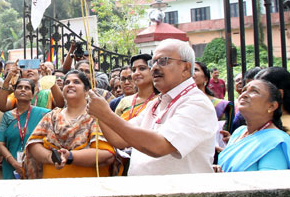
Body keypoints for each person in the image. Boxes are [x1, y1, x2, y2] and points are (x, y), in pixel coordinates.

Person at [88, 38, 218, 176]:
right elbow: (119, 139)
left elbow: (159, 146)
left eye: (163, 61)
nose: (154, 67)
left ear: (185, 68)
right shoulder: (156, 103)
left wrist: (106, 114)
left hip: (178, 195)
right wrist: (100, 115)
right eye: (153, 62)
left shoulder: (196, 103)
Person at [24, 70, 117, 178]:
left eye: (76, 82)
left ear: (86, 90)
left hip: (88, 185)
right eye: (67, 83)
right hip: (52, 184)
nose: (70, 85)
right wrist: (51, 157)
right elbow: (33, 144)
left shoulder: (95, 117)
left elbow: (107, 154)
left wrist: (70, 157)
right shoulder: (51, 116)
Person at [217, 79, 290, 172]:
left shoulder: (275, 143)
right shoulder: (239, 132)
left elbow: (268, 184)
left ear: (271, 106)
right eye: (244, 90)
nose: (243, 94)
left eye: (254, 91)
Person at [0, 77, 50, 179]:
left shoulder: (44, 114)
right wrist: (14, 163)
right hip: (11, 165)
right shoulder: (8, 116)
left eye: (27, 88)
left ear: (33, 93)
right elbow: (1, 144)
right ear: (14, 92)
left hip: (36, 164)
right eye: (19, 87)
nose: (23, 90)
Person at [0, 66, 64, 112]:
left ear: (39, 73)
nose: (29, 70)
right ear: (21, 75)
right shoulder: (17, 94)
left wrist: (50, 78)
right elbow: (2, 107)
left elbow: (60, 104)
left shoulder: (48, 93)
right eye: (26, 68)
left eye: (33, 67)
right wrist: (7, 80)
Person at [114, 54, 156, 121]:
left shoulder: (159, 100)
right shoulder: (124, 101)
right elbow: (114, 127)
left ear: (152, 71)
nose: (136, 73)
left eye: (142, 68)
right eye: (134, 70)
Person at [195, 61, 234, 132]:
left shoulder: (221, 106)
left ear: (206, 79)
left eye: (195, 70)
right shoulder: (176, 104)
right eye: (187, 70)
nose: (191, 73)